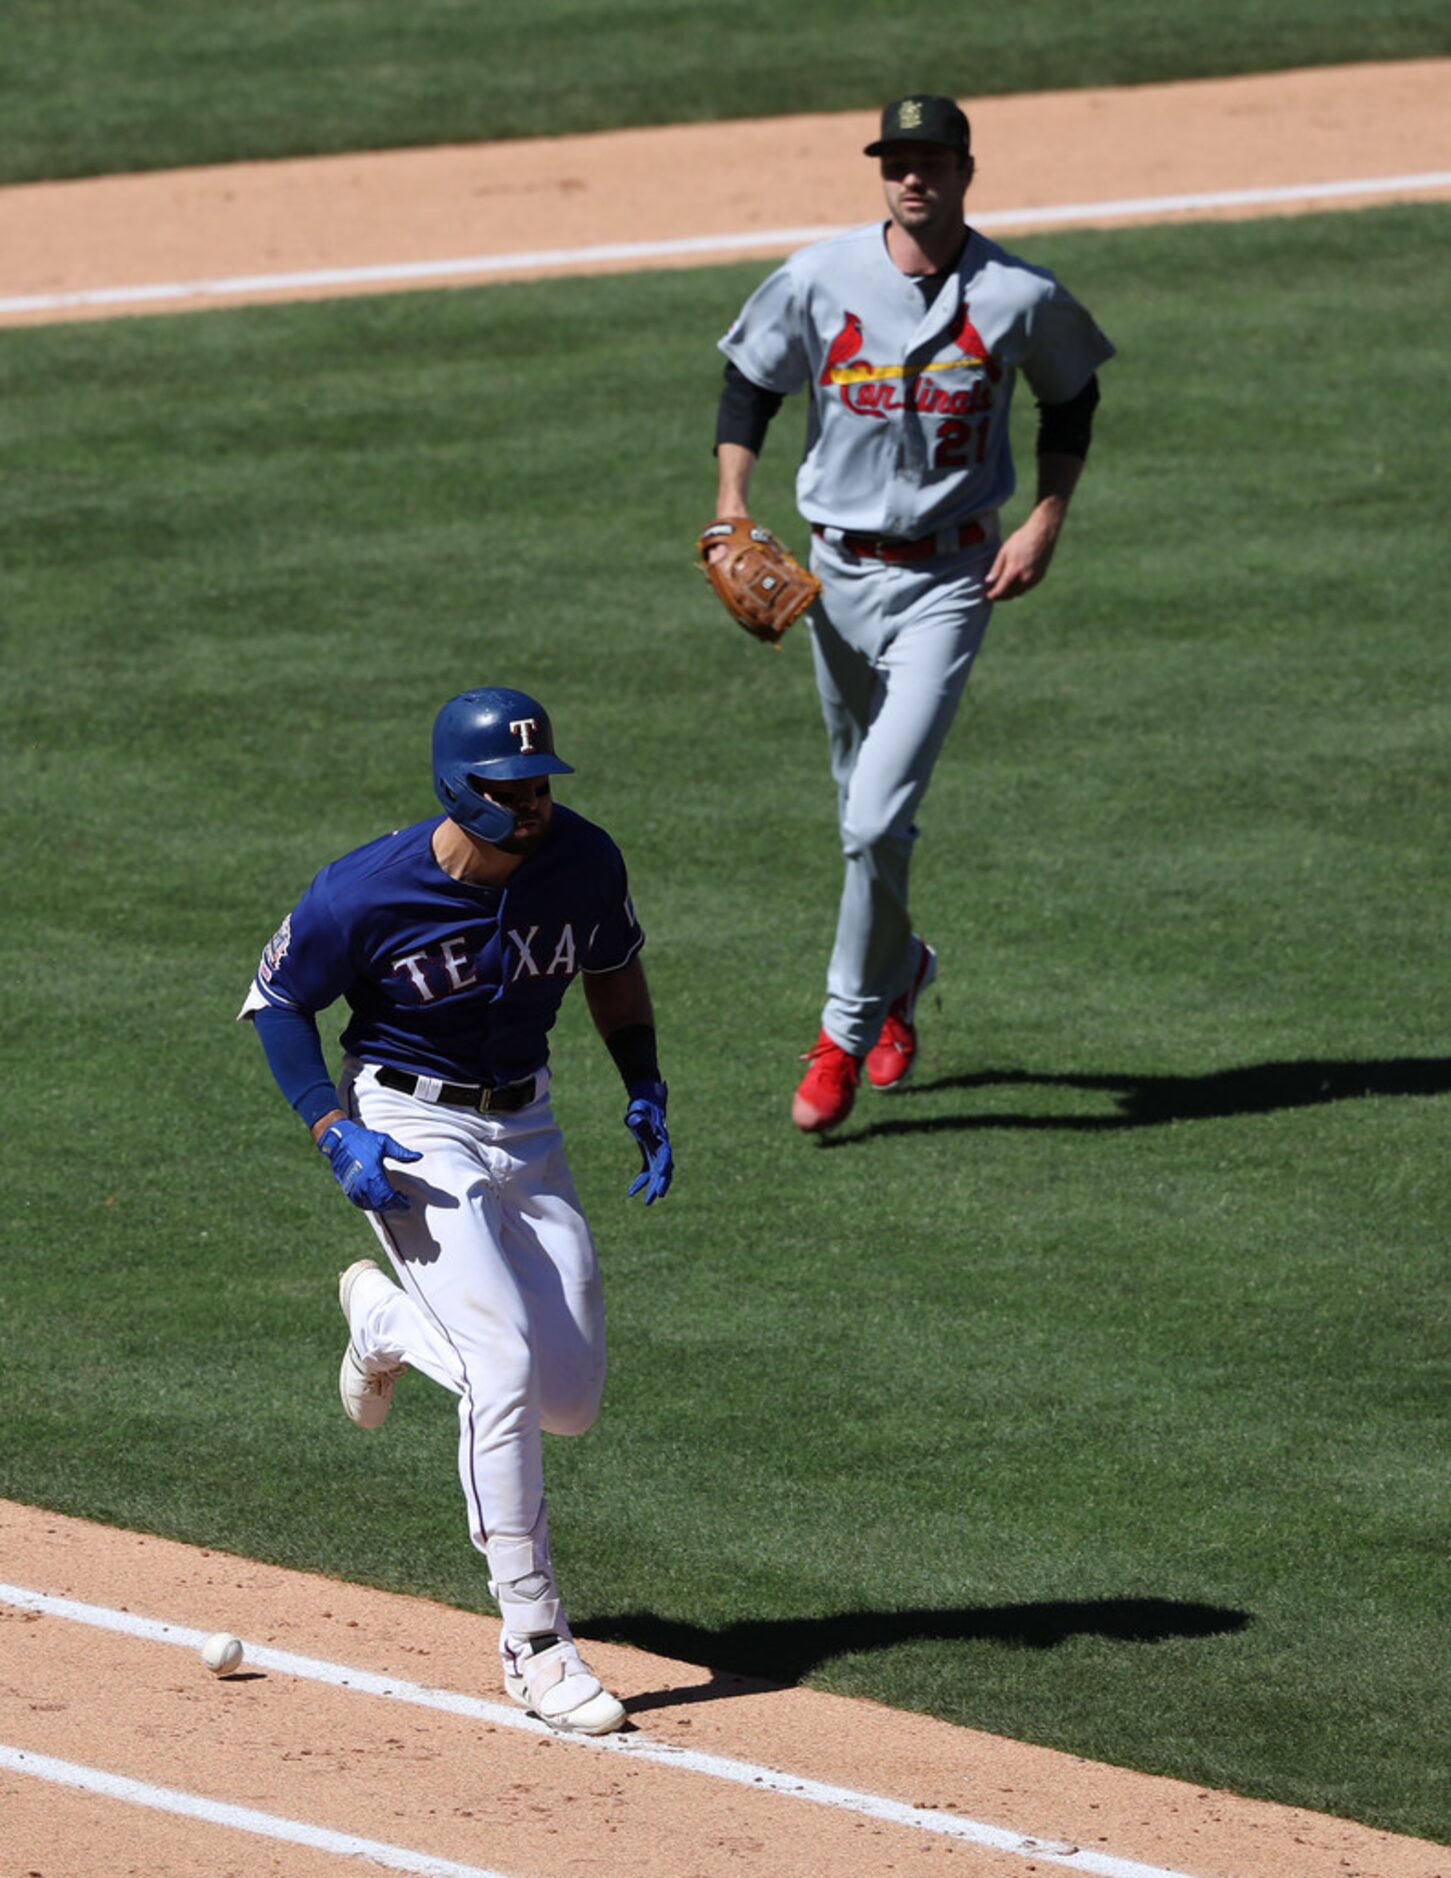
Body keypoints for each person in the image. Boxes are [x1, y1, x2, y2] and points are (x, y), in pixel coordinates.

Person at [238, 686, 673, 1736]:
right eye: (507, 789)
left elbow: (613, 973)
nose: (530, 804)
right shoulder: (363, 892)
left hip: (528, 1128)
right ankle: (533, 1641)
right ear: (456, 787)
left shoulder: (585, 859)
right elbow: (276, 1005)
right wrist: (330, 1128)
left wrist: (643, 1083)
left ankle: (387, 1322)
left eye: (538, 785)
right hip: (408, 1122)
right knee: (505, 1372)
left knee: (565, 1401)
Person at [708, 94, 1114, 1132]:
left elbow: (1070, 397)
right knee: (861, 812)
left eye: (931, 158)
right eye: (896, 158)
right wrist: (730, 506)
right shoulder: (819, 277)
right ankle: (902, 969)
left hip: (952, 581)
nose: (911, 175)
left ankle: (840, 1034)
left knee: (876, 816)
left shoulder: (1017, 296)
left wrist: (1044, 522)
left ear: (964, 170)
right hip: (833, 581)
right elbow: (748, 382)